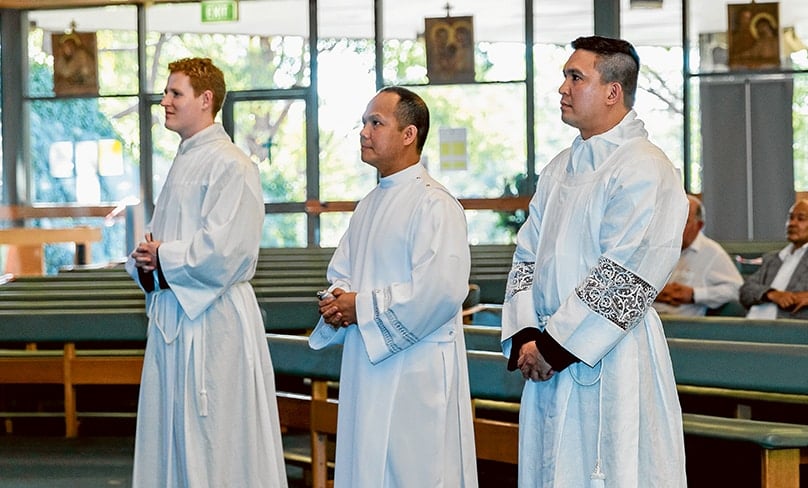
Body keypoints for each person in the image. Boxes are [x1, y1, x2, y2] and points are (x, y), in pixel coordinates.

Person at [501, 36, 688, 487]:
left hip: (611, 355)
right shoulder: (558, 168)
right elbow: (527, 256)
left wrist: (552, 348)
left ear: (612, 91)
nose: (562, 88)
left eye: (575, 77)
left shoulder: (645, 167)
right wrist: (528, 335)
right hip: (548, 351)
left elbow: (627, 273)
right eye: (565, 77)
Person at [126, 57, 288, 488]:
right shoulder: (186, 161)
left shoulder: (232, 164)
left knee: (216, 434)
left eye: (175, 93)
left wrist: (163, 257)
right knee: (175, 434)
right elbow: (165, 243)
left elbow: (226, 252)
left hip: (215, 322)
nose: (165, 101)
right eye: (167, 92)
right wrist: (146, 260)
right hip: (176, 316)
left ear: (206, 99)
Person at [308, 86, 478, 487]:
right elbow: (344, 270)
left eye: (376, 123)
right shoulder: (368, 204)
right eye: (364, 123)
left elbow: (440, 291)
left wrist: (360, 307)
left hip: (415, 371)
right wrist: (337, 300)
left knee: (415, 472)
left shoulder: (436, 204)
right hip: (367, 365)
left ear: (409, 134)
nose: (364, 133)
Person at [654, 194, 744, 316]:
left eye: (684, 221)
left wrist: (694, 295)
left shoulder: (712, 252)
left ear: (699, 225)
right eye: (673, 220)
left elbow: (736, 289)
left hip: (685, 326)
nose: (676, 227)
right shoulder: (658, 247)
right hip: (651, 320)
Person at [740, 199, 808, 319]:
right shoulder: (772, 258)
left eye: (801, 219)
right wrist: (771, 294)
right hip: (753, 325)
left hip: (789, 329)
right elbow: (745, 291)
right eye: (790, 218)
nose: (792, 223)